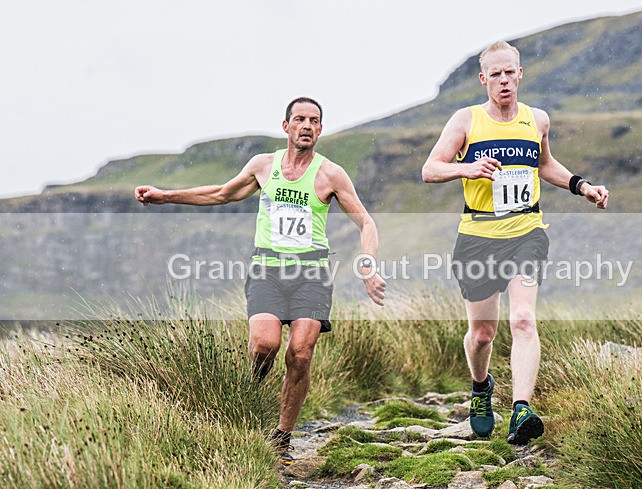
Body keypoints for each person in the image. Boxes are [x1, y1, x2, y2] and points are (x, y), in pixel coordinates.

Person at [135, 97, 386, 457]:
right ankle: (248, 400)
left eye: (314, 121)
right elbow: (223, 193)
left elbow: (366, 221)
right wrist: (166, 196)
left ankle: (282, 435)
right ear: (286, 127)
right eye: (300, 119)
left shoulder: (330, 173)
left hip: (311, 273)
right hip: (267, 269)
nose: (307, 126)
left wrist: (368, 265)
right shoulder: (264, 166)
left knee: (300, 353)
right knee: (264, 345)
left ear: (320, 129)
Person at [422, 42, 609, 445]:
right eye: (496, 74)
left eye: (510, 73)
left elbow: (545, 165)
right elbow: (430, 169)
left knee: (523, 319)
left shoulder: (536, 119)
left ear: (520, 74)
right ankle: (480, 387)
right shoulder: (466, 120)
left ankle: (521, 408)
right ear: (483, 79)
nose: (504, 80)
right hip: (477, 237)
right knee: (483, 334)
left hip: (527, 232)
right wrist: (468, 168)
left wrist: (582, 186)